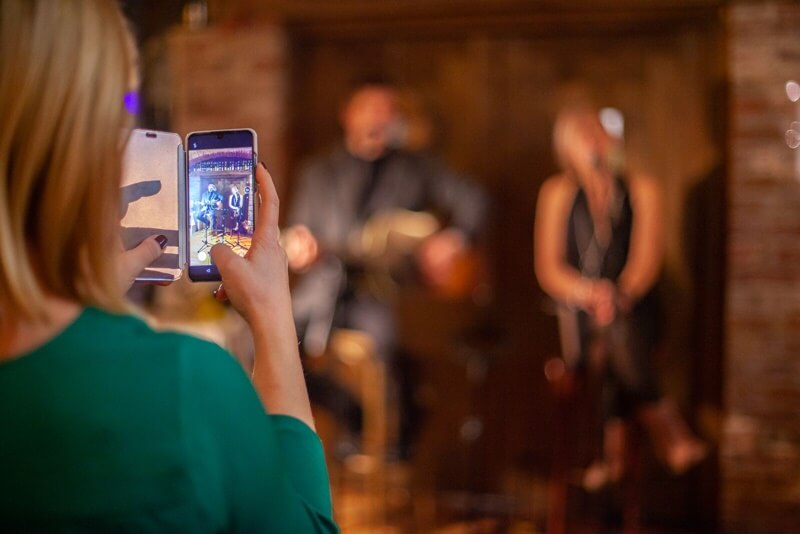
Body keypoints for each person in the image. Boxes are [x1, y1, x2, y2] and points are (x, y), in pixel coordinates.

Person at [0, 1, 337, 531]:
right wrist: (272, 312)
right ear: (78, 138)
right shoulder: (185, 386)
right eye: (121, 104)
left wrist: (80, 286)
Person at [283, 82, 487, 458]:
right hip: (323, 287)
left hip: (381, 292)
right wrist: (301, 249)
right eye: (370, 108)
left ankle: (387, 449)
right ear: (348, 114)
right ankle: (347, 418)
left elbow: (473, 198)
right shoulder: (318, 172)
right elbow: (299, 232)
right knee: (269, 343)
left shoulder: (416, 167)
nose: (379, 117)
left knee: (386, 351)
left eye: (387, 109)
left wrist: (453, 240)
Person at [534, 103, 706, 490]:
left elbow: (645, 261)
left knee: (615, 328)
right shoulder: (557, 194)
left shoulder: (642, 189)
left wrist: (618, 294)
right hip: (580, 310)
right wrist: (589, 292)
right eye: (583, 135)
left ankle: (608, 453)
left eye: (599, 132)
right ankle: (666, 429)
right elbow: (548, 268)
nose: (594, 142)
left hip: (635, 310)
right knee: (608, 333)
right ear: (566, 146)